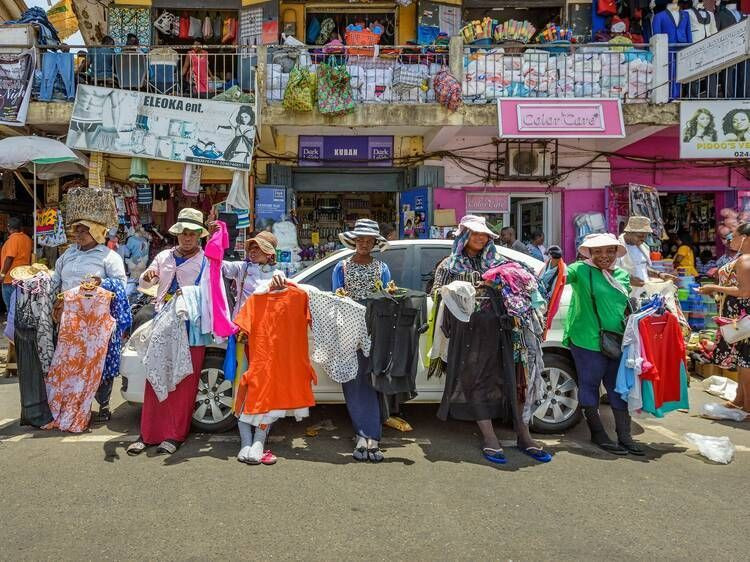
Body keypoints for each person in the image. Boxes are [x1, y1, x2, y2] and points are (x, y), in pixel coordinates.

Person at [432, 215, 552, 464]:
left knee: (512, 381)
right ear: (464, 235)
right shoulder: (449, 266)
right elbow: (436, 295)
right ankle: (489, 437)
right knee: (477, 383)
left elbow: (524, 287)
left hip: (503, 331)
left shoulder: (502, 263)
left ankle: (523, 435)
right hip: (468, 335)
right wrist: (462, 291)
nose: (480, 237)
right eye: (474, 233)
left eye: (484, 234)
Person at [127, 208, 210, 456]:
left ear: (199, 236)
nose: (187, 238)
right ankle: (148, 434)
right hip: (162, 321)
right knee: (155, 376)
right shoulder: (163, 257)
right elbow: (145, 283)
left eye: (192, 233)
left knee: (183, 383)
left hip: (190, 326)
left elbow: (211, 295)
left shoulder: (207, 262)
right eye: (183, 233)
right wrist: (148, 275)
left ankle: (174, 434)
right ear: (177, 234)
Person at [563, 233, 643, 455]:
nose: (604, 256)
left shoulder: (622, 276)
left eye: (609, 251)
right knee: (589, 385)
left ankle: (625, 437)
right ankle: (598, 434)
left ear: (616, 252)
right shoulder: (580, 270)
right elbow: (560, 276)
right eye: (597, 251)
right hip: (586, 339)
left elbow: (621, 307)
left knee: (618, 389)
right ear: (589, 253)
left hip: (616, 341)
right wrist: (555, 263)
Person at [331, 219, 391, 462]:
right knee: (353, 382)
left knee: (370, 381)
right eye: (360, 240)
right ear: (354, 242)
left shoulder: (382, 268)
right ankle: (362, 434)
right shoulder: (341, 267)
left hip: (374, 330)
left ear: (375, 243)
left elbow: (387, 299)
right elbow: (336, 298)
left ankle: (372, 435)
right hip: (348, 330)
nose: (364, 244)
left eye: (369, 240)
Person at [700, 222, 750, 414]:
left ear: (745, 238)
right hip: (740, 318)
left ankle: (747, 406)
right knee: (742, 360)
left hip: (743, 318)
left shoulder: (745, 259)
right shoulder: (742, 258)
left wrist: (714, 288)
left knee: (746, 362)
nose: (731, 240)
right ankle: (740, 399)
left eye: (734, 236)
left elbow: (744, 291)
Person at [617, 216, 675, 287]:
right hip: (625, 293)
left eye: (645, 236)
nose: (643, 239)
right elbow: (612, 272)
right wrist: (629, 280)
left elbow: (643, 267)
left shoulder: (643, 247)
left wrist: (659, 274)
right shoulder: (617, 248)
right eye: (640, 236)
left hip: (643, 291)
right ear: (628, 232)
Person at [0, 217, 32, 309]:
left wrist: (2, 274)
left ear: (8, 228)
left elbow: (10, 257)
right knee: (20, 306)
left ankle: (11, 323)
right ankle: (17, 323)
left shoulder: (13, 239)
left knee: (10, 306)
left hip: (10, 279)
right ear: (20, 228)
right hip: (23, 278)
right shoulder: (27, 239)